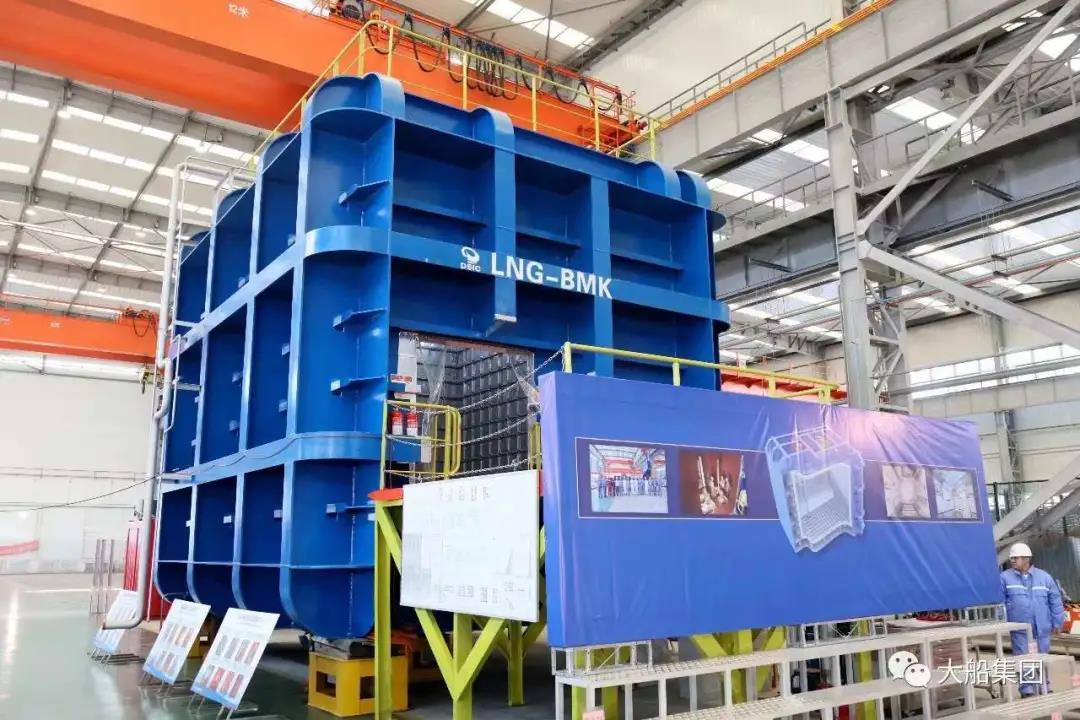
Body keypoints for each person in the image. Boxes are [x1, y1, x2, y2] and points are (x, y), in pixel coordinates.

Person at [1001, 542, 1066, 695]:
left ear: (1026, 559)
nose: (1012, 561)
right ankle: (1027, 689)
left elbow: (1055, 601)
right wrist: (1002, 622)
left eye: (1015, 558)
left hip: (1042, 626)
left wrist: (1057, 622)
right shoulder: (1005, 578)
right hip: (1020, 627)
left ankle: (1044, 685)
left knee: (1042, 657)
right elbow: (1000, 602)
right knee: (1023, 658)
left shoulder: (1044, 577)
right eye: (1012, 558)